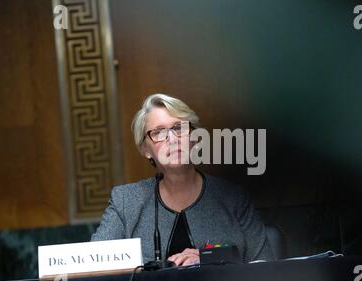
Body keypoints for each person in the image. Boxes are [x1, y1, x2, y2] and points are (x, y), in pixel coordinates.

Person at [91, 93, 273, 266]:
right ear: (145, 150)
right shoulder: (126, 201)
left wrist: (210, 259)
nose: (172, 139)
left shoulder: (233, 197)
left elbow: (265, 269)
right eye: (159, 132)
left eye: (179, 128)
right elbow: (93, 264)